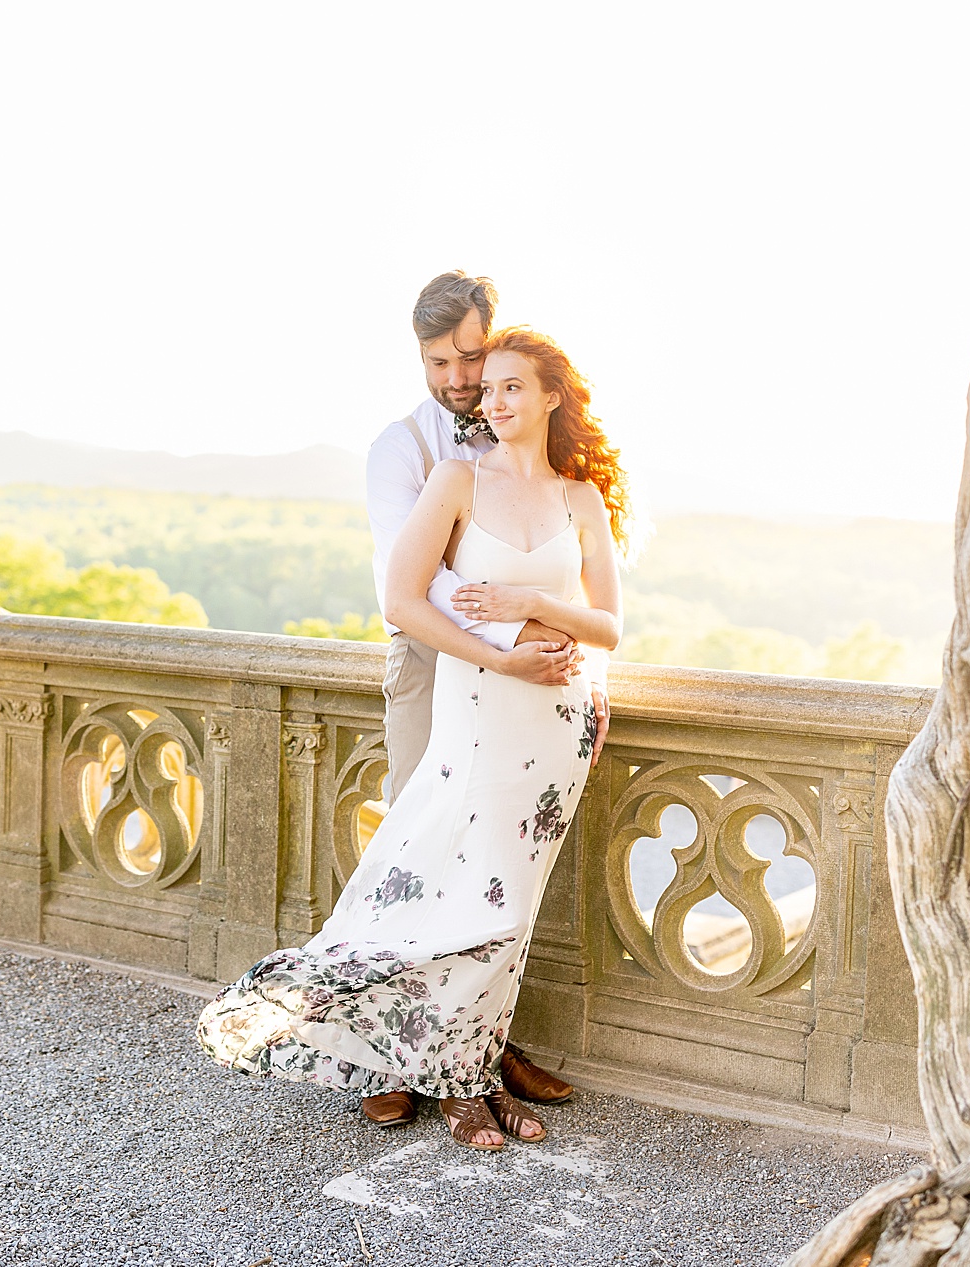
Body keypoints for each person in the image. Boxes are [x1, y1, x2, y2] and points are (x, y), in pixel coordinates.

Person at [199, 326, 633, 1152]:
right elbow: (404, 601)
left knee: (512, 904)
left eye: (513, 386)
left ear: (552, 396)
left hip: (560, 722)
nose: (494, 399)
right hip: (485, 706)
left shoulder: (580, 497)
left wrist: (525, 608)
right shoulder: (455, 478)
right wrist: (505, 652)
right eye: (489, 386)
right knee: (460, 886)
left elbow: (608, 623)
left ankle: (469, 1065)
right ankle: (459, 1079)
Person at [355, 272, 605, 1129]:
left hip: (536, 684)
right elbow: (423, 586)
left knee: (500, 862)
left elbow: (593, 599)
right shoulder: (408, 449)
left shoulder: (566, 482)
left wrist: (555, 647)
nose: (462, 380)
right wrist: (517, 646)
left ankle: (483, 1042)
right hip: (440, 665)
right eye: (443, 363)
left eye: (474, 358)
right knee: (426, 847)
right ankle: (395, 1053)